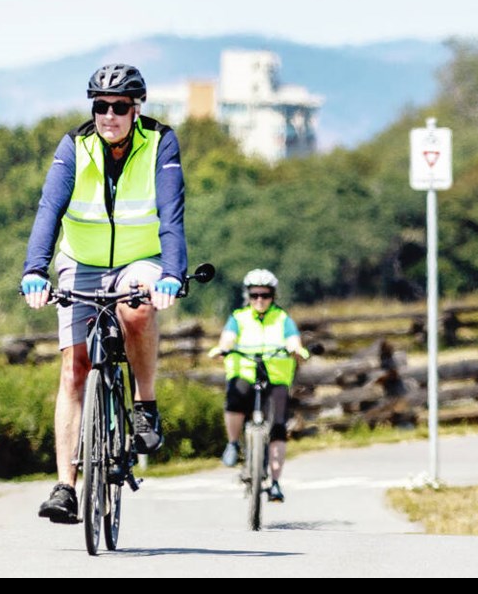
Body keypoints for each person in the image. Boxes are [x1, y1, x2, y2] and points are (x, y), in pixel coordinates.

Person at [20, 63, 188, 524]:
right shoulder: (74, 146)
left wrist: (172, 274)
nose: (108, 115)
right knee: (75, 367)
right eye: (100, 106)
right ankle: (65, 487)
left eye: (118, 107)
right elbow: (48, 211)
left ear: (136, 109)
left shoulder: (160, 143)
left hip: (141, 258)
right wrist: (35, 270)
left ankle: (145, 406)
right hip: (82, 260)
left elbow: (172, 216)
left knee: (136, 311)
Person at [208, 269, 308, 504]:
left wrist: (295, 350)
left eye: (265, 295)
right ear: (248, 296)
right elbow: (228, 338)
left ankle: (275, 482)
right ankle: (233, 444)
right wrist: (223, 348)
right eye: (254, 295)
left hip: (276, 375)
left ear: (273, 296)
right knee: (235, 399)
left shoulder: (283, 319)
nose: (260, 300)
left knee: (278, 426)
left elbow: (294, 340)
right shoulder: (239, 316)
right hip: (244, 370)